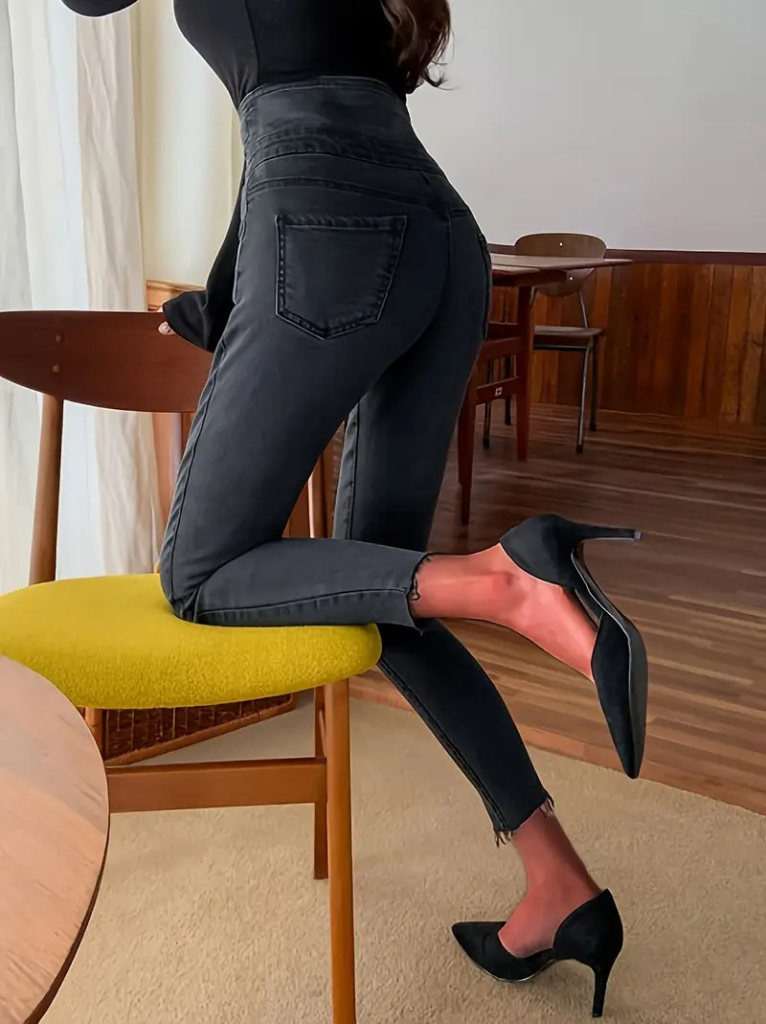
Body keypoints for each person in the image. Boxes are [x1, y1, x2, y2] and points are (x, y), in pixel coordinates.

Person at [63, 1, 647, 1016]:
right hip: (439, 235)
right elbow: (300, 91)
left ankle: (507, 582)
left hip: (329, 226)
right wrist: (226, 295)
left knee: (198, 575)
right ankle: (558, 882)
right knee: (386, 591)